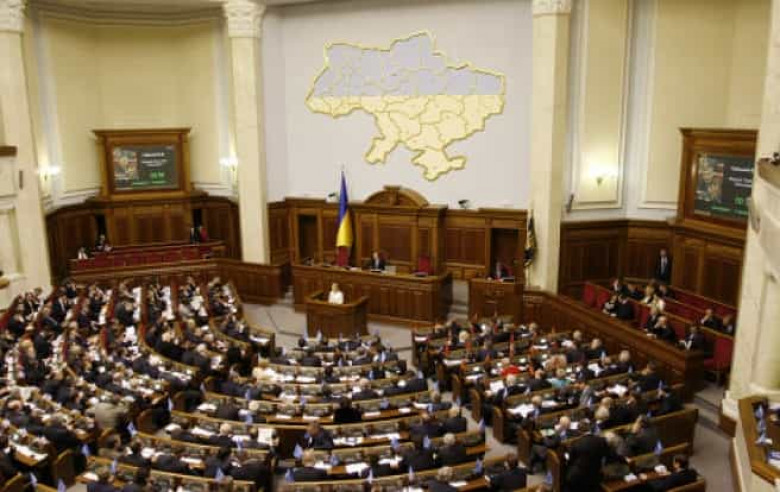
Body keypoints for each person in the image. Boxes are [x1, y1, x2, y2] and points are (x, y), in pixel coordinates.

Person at [564, 421, 610, 492]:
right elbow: (605, 455)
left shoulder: (576, 444)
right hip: (595, 473)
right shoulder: (601, 440)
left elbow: (571, 461)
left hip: (579, 476)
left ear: (579, 431)